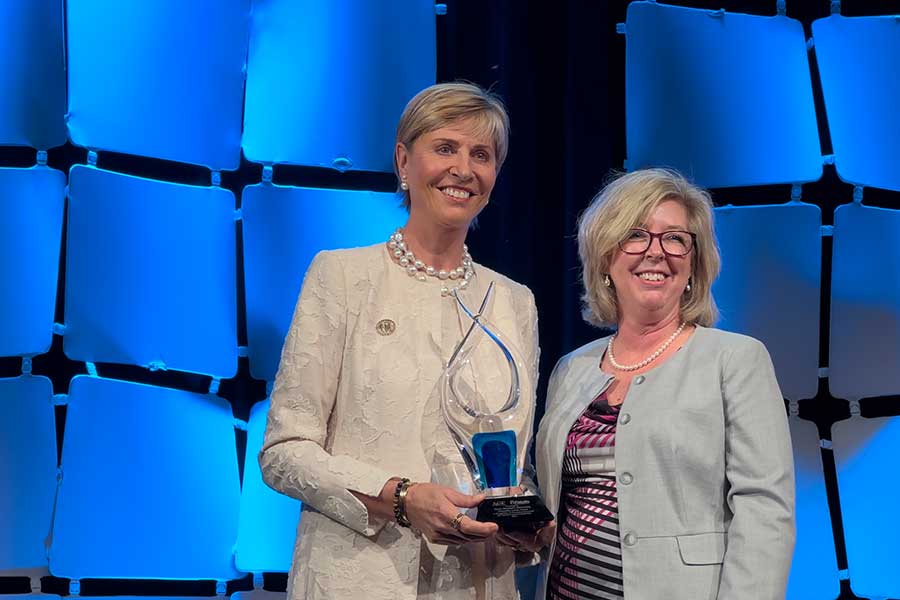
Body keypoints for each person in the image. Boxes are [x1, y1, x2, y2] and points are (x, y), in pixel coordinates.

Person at [259, 82, 542, 600]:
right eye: (445, 148)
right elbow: (284, 452)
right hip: (359, 581)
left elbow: (504, 464)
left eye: (481, 154)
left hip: (478, 583)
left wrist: (525, 520)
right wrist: (401, 497)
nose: (463, 168)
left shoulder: (514, 301)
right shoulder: (341, 277)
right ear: (404, 162)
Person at [535, 168, 795, 599]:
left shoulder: (735, 359)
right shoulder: (571, 369)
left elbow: (765, 513)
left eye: (675, 238)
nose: (656, 252)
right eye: (636, 235)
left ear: (694, 264)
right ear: (605, 259)